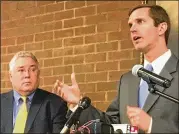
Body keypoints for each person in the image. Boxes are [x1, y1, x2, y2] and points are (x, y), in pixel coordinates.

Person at [53, 4, 179, 133]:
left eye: (140, 21)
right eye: (130, 25)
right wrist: (79, 103)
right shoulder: (128, 80)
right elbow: (111, 124)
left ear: (161, 28)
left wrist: (152, 125)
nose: (133, 29)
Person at [0, 51, 68, 133]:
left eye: (32, 69)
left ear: (38, 74)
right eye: (21, 70)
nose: (27, 75)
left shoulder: (55, 104)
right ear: (11, 76)